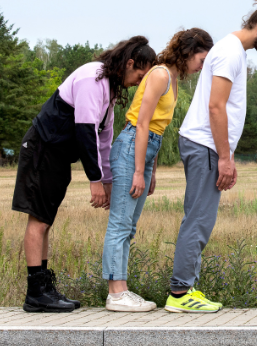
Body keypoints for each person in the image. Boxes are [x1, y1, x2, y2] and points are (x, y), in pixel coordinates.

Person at [164, 0, 257, 313]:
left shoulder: (233, 51)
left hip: (205, 144)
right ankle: (180, 295)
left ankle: (187, 287)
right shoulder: (231, 53)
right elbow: (216, 107)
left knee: (199, 218)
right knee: (199, 220)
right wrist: (224, 157)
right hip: (206, 144)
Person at [12, 37, 156, 313]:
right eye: (140, 73)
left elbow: (104, 140)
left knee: (46, 221)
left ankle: (44, 289)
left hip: (56, 155)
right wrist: (95, 182)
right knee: (39, 220)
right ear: (129, 63)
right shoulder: (93, 78)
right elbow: (85, 132)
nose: (141, 81)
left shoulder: (110, 90)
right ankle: (35, 292)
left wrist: (109, 181)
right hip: (42, 149)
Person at [102, 28, 214, 312]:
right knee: (120, 223)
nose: (202, 66)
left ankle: (121, 289)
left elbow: (157, 129)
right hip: (131, 147)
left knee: (130, 225)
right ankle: (116, 294)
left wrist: (151, 168)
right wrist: (139, 170)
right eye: (202, 58)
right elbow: (141, 123)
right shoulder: (160, 74)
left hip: (146, 149)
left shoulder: (173, 79)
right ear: (188, 51)